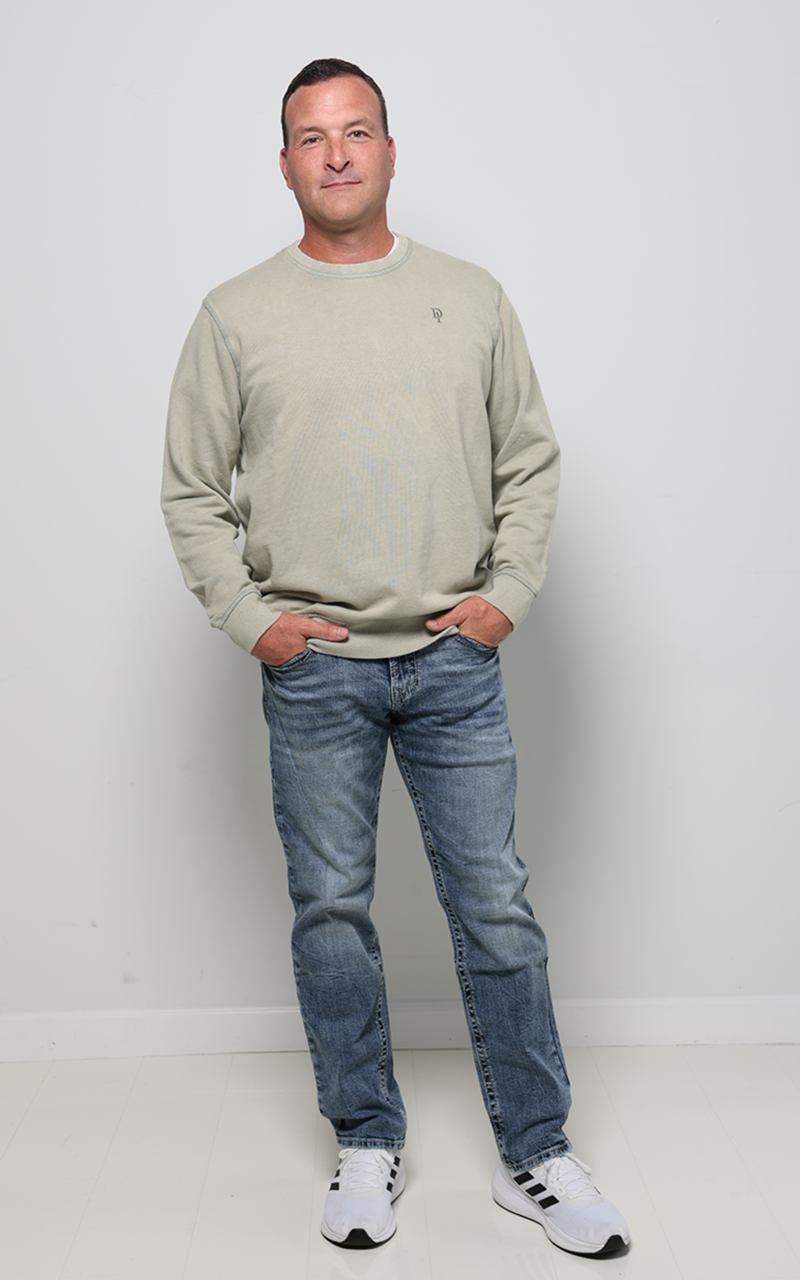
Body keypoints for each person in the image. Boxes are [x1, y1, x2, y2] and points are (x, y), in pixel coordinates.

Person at [161, 57, 630, 1257]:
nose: (335, 152)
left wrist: (506, 594)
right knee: (331, 912)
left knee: (495, 906)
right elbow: (191, 491)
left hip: (452, 661)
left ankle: (534, 1150)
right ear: (284, 164)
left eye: (355, 130)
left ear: (386, 149)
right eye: (311, 136)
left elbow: (528, 458)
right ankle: (364, 1136)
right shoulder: (233, 314)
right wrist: (251, 618)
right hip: (312, 666)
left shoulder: (470, 297)